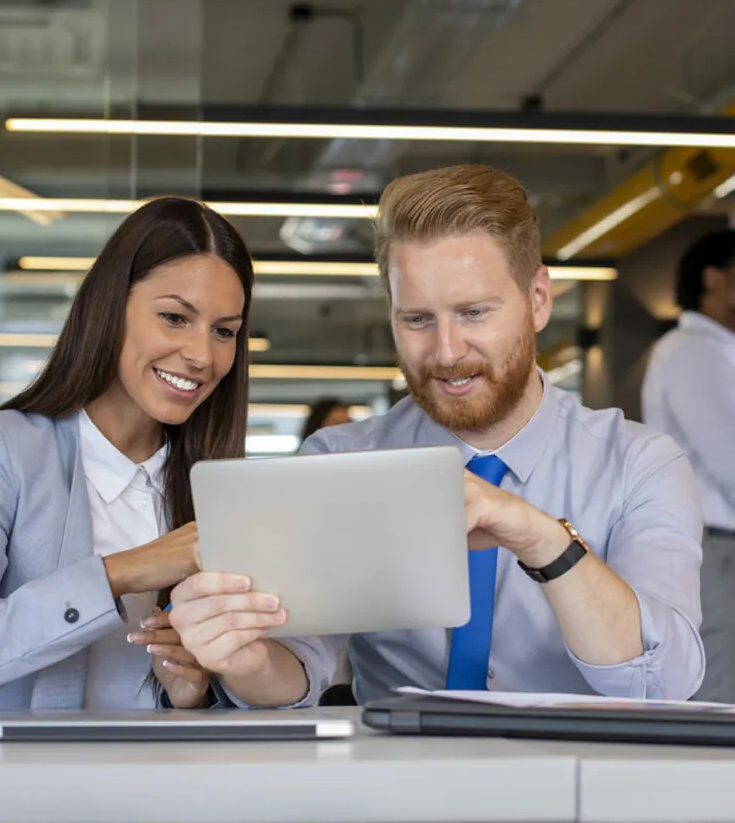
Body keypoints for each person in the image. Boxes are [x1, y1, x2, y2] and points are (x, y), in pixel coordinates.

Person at [163, 164, 705, 706]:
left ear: (538, 298)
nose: (446, 353)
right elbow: (299, 670)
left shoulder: (640, 464)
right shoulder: (340, 460)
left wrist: (540, 538)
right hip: (395, 780)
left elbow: (663, 683)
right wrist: (246, 662)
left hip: (580, 780)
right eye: (418, 320)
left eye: (473, 313)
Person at [0, 196, 254, 711]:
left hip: (174, 785)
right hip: (33, 789)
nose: (203, 355)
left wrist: (190, 696)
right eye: (175, 317)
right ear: (111, 307)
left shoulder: (220, 484)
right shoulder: (1, 450)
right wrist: (121, 572)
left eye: (224, 331)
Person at [642, 229, 735, 703]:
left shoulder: (715, 349)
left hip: (722, 544)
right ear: (713, 279)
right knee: (720, 680)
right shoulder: (693, 351)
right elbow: (730, 456)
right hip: (716, 544)